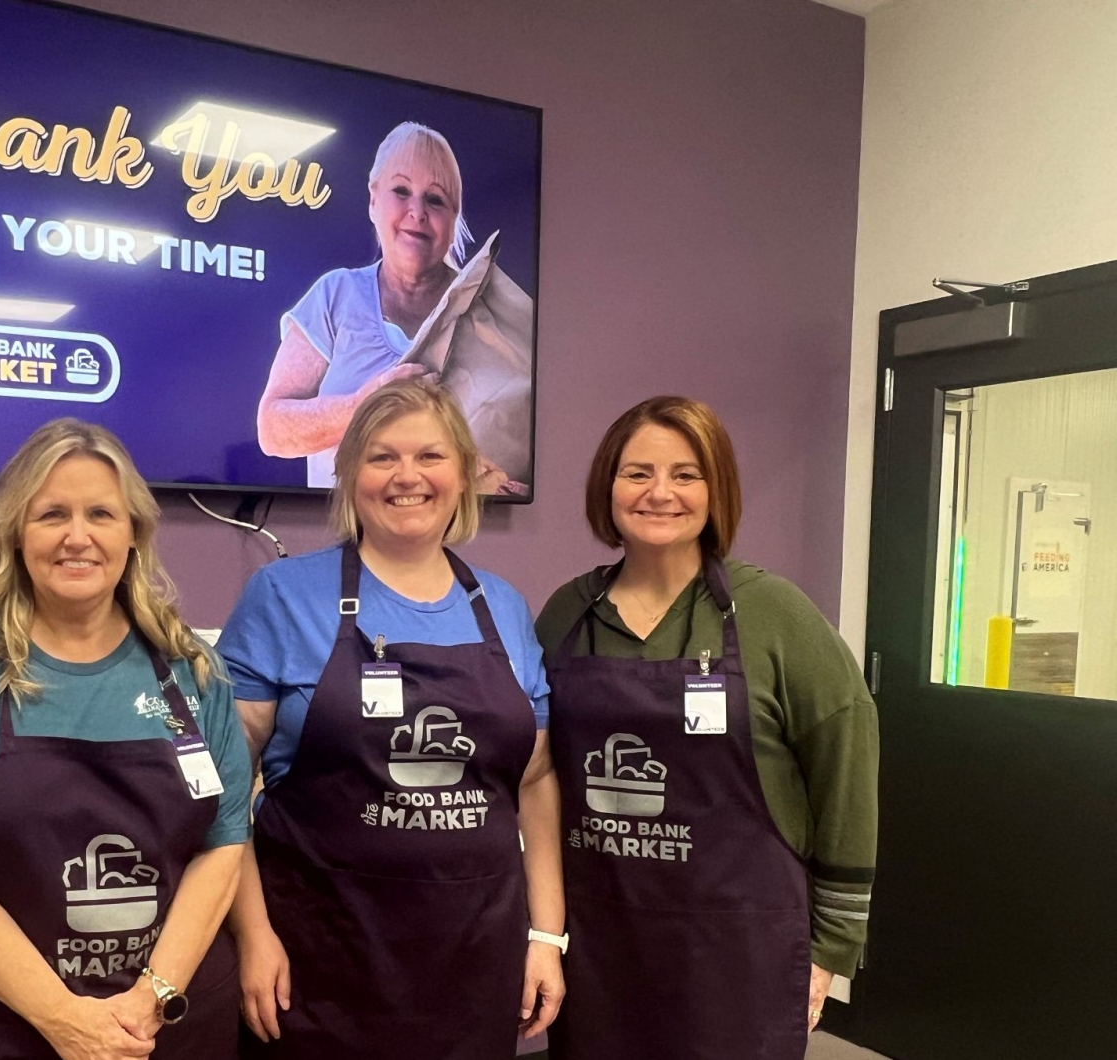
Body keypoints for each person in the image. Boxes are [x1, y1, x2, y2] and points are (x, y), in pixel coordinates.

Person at [0, 418, 252, 1060]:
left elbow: (223, 845)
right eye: (52, 515)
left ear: (133, 534)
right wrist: (66, 1021)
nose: (78, 537)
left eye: (101, 513)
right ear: (18, 535)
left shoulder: (193, 670)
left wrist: (146, 1001)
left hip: (160, 1030)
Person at [219, 379, 564, 1059]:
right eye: (382, 457)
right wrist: (252, 935)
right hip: (316, 958)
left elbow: (536, 779)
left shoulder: (504, 608)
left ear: (463, 474)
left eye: (430, 456)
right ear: (349, 476)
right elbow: (225, 786)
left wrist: (547, 936)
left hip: (473, 960)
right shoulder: (283, 597)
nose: (408, 476)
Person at [535, 396, 879, 1060]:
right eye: (637, 473)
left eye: (686, 474)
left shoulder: (774, 613)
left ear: (716, 489)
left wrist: (831, 947)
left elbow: (847, 763)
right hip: (600, 949)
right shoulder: (567, 615)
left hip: (739, 954)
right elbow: (534, 770)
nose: (660, 492)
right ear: (607, 485)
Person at [256, 121, 534, 494]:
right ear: (373, 200)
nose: (417, 211)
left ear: (454, 217)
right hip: (346, 538)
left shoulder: (497, 310)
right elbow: (272, 430)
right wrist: (362, 405)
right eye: (401, 190)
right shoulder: (334, 296)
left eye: (435, 199)